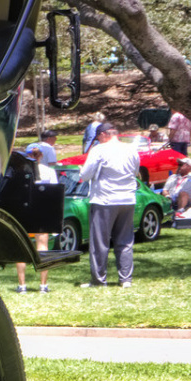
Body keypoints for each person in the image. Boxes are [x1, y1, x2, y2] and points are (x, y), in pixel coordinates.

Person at [77, 122, 141, 287]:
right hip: (127, 199)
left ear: (104, 134)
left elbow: (85, 175)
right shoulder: (131, 149)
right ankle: (125, 279)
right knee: (125, 241)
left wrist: (80, 171)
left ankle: (99, 280)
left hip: (105, 200)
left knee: (100, 242)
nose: (98, 140)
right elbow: (135, 172)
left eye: (98, 137)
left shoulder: (99, 150)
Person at [16, 141, 60, 294]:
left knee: (21, 248)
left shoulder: (21, 172)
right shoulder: (49, 171)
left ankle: (22, 286)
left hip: (26, 211)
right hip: (43, 210)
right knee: (42, 247)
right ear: (41, 155)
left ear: (27, 156)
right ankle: (43, 285)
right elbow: (54, 194)